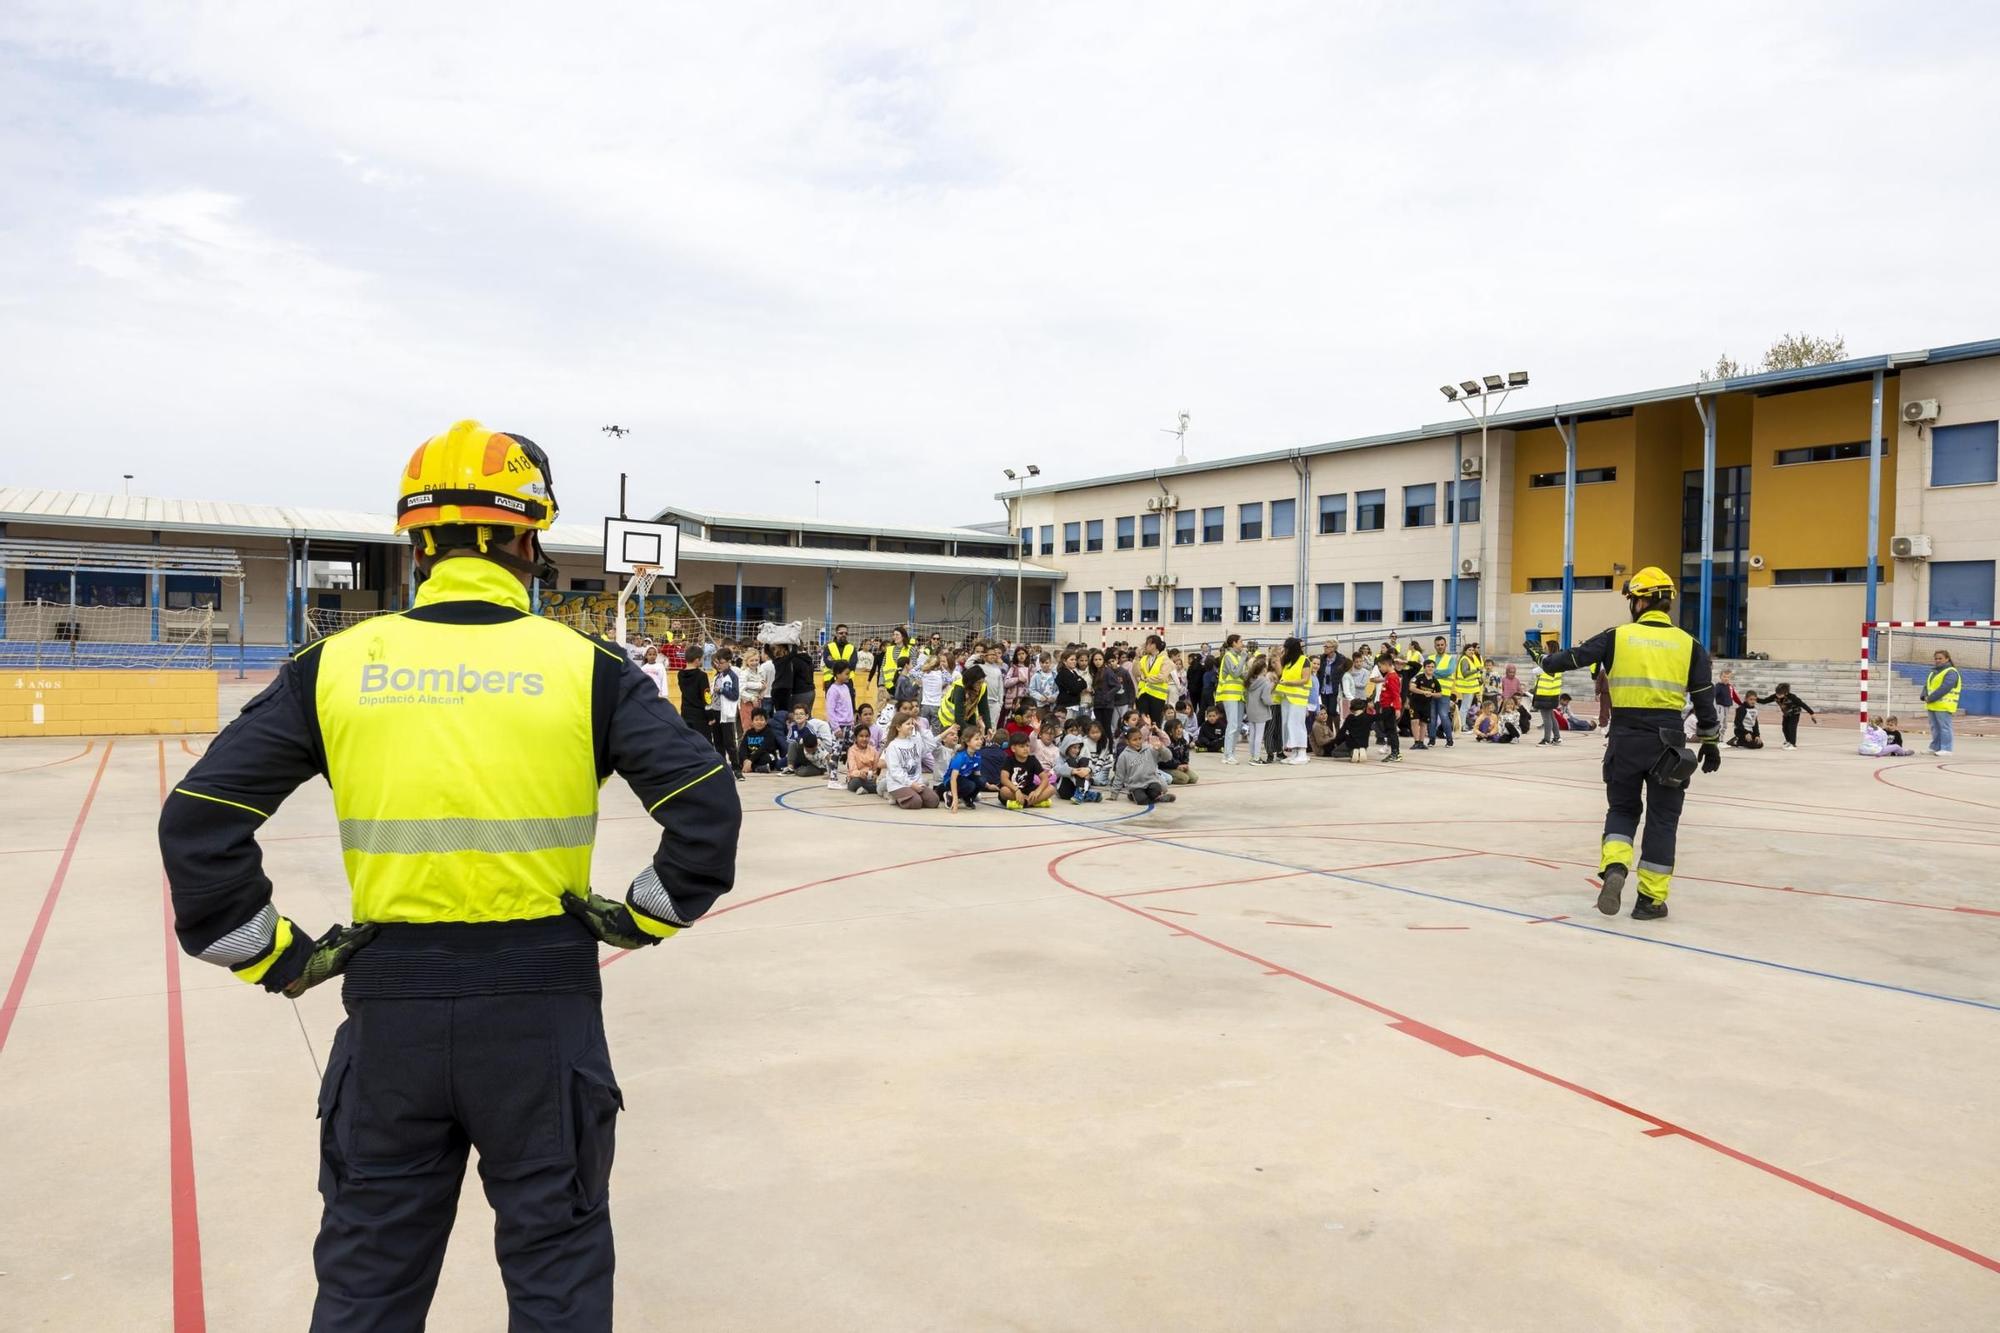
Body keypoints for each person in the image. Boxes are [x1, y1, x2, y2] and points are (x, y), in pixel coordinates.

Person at [159, 420, 740, 1329]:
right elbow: (706, 808)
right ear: (528, 539)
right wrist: (640, 918)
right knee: (557, 1280)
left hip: (390, 1013)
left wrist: (280, 956)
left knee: (367, 1286)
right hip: (543, 1013)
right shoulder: (587, 669)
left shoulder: (336, 667)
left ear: (419, 541)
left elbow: (198, 822)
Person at [1537, 566, 1719, 922]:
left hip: (1625, 739)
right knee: (1663, 820)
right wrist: (1710, 741)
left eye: (1633, 598)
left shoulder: (1617, 636)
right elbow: (1704, 699)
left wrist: (1546, 660)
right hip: (1669, 744)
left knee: (1622, 809)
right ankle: (1650, 900)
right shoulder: (1690, 644)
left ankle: (1616, 865)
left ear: (1641, 600)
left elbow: (1572, 658)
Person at [884, 718, 944, 809]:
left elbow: (932, 744)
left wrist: (920, 729)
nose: (911, 726)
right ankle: (896, 797)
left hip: (917, 783)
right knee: (915, 802)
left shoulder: (915, 740)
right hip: (898, 784)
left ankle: (911, 795)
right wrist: (911, 784)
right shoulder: (893, 746)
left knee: (934, 801)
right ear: (898, 727)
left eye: (912, 724)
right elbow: (895, 771)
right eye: (908, 724)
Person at [1274, 636, 1313, 764]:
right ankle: (1294, 752)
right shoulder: (1288, 661)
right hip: (1286, 697)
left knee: (1296, 724)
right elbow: (1281, 674)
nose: (1284, 650)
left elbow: (1305, 679)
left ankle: (1302, 752)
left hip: (1298, 699)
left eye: (1286, 648)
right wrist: (1278, 658)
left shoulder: (1304, 660)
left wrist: (1289, 683)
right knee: (1287, 724)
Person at [1114, 725, 1175, 804]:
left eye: (1140, 738)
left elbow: (1168, 757)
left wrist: (1161, 749)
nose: (1138, 741)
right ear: (1127, 741)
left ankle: (1157, 797)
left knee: (1155, 790)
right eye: (1134, 740)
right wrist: (1114, 794)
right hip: (1136, 786)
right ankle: (1135, 795)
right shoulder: (1124, 756)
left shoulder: (1150, 749)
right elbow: (1119, 776)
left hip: (1151, 782)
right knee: (1142, 801)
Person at [1213, 634, 1249, 764]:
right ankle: (1227, 755)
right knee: (1232, 724)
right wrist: (1243, 660)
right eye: (1241, 642)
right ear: (1234, 643)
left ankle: (1231, 753)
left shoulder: (1239, 657)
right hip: (1229, 695)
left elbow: (1244, 675)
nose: (1242, 644)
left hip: (1239, 695)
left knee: (1238, 726)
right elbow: (1235, 673)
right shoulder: (1228, 656)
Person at [998, 733, 1055, 809]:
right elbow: (1004, 779)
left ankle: (1025, 803)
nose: (1026, 749)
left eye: (1027, 746)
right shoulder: (1009, 760)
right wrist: (1016, 790)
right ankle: (1035, 802)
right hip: (1013, 791)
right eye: (1022, 746)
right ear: (1013, 749)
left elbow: (1044, 778)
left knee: (1051, 788)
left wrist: (1037, 791)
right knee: (1004, 791)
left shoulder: (1033, 760)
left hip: (1029, 791)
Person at [1922, 650, 1962, 756]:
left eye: (1940, 658)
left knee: (1944, 727)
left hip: (1944, 705)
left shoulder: (1951, 672)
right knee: (1934, 727)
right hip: (1932, 704)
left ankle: (1946, 748)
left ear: (1947, 659)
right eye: (1936, 658)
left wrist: (1930, 698)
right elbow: (1927, 685)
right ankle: (1935, 747)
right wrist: (1923, 695)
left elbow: (1945, 688)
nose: (1937, 660)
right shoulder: (1933, 672)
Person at [710, 649, 743, 776]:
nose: (719, 665)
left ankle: (736, 769)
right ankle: (722, 768)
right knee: (718, 742)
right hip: (716, 711)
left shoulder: (732, 676)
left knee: (729, 742)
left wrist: (722, 690)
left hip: (727, 713)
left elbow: (735, 695)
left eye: (722, 663)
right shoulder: (717, 676)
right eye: (717, 663)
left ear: (729, 662)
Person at [1134, 634, 1173, 725]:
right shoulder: (1143, 658)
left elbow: (1162, 677)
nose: (1146, 646)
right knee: (1143, 721)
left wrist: (1146, 679)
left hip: (1157, 696)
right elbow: (1136, 673)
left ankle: (1155, 738)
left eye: (1148, 644)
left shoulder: (1165, 659)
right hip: (1143, 694)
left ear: (1155, 645)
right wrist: (1137, 657)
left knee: (1155, 722)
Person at [1243, 655, 1275, 764]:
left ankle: (1253, 756)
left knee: (1252, 734)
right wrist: (1272, 702)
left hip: (1250, 710)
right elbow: (1265, 699)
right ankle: (1257, 758)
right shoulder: (1264, 682)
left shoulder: (1248, 680)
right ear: (1264, 669)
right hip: (1261, 711)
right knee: (1259, 736)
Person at [942, 730, 986, 810]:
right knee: (970, 785)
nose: (980, 741)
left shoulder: (977, 755)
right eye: (976, 739)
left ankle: (967, 798)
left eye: (981, 739)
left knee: (982, 781)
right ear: (968, 742)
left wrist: (986, 784)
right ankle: (950, 795)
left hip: (965, 779)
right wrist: (955, 799)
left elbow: (977, 775)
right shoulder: (960, 756)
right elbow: (953, 779)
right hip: (951, 781)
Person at [1374, 657, 1403, 762]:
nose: (1380, 668)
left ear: (1386, 664)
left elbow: (1396, 694)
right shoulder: (1387, 676)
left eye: (1380, 666)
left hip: (1390, 707)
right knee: (1388, 729)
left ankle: (1395, 753)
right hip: (1386, 706)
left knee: (1392, 731)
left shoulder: (1392, 677)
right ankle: (1394, 752)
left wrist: (1397, 708)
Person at [1771, 683, 1816, 749]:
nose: (1777, 695)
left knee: (1791, 727)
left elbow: (1803, 704)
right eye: (1777, 693)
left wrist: (1811, 713)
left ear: (1786, 693)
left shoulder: (1792, 697)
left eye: (1780, 694)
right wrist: (1755, 699)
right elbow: (1764, 701)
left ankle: (1793, 744)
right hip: (1786, 714)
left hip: (1795, 714)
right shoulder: (1775, 696)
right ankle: (1788, 741)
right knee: (1785, 727)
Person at [845, 726, 884, 793]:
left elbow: (875, 769)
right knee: (855, 782)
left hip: (869, 779)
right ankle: (878, 789)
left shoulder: (873, 750)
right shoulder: (852, 750)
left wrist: (875, 775)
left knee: (882, 780)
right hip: (856, 779)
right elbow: (852, 770)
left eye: (867, 736)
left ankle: (865, 789)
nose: (864, 739)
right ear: (855, 738)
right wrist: (860, 774)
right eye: (861, 736)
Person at [1533, 661, 1563, 745]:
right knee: (1551, 717)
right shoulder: (1557, 665)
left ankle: (1546, 739)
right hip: (1553, 694)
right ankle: (1557, 737)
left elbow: (1534, 671)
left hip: (1544, 694)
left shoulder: (1546, 666)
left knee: (1546, 718)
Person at [822, 623, 857, 692]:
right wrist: (845, 662)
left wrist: (836, 662)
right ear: (836, 634)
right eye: (841, 633)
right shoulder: (829, 647)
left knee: (849, 702)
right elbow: (828, 663)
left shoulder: (852, 648)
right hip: (830, 680)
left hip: (847, 681)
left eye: (846, 633)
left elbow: (852, 665)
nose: (844, 635)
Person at [1162, 717, 1198, 783]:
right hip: (1167, 768)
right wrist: (1177, 765)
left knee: (1194, 778)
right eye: (1176, 728)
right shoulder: (1167, 743)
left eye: (1180, 727)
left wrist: (1185, 764)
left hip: (1179, 766)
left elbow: (1186, 755)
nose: (1179, 730)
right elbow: (1167, 760)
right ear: (1170, 732)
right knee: (1184, 779)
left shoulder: (1183, 741)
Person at [825, 662, 857, 735]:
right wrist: (836, 728)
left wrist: (852, 722)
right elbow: (830, 711)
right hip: (839, 726)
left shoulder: (845, 687)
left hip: (848, 726)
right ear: (838, 674)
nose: (848, 676)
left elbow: (849, 707)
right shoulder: (833, 690)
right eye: (847, 674)